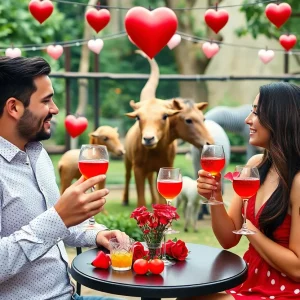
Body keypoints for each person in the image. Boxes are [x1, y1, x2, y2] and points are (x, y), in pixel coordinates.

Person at [0, 56, 128, 300]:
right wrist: (58, 217)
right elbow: (54, 221)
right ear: (14, 107)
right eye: (46, 100)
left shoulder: (37, 154)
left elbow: (58, 223)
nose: (55, 109)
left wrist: (97, 235)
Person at [194, 82, 300, 299]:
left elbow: (297, 268)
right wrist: (215, 198)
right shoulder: (254, 166)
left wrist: (250, 230)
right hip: (250, 280)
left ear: (279, 118)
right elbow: (228, 239)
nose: (247, 120)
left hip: (283, 290)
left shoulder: (298, 182)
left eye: (256, 112)